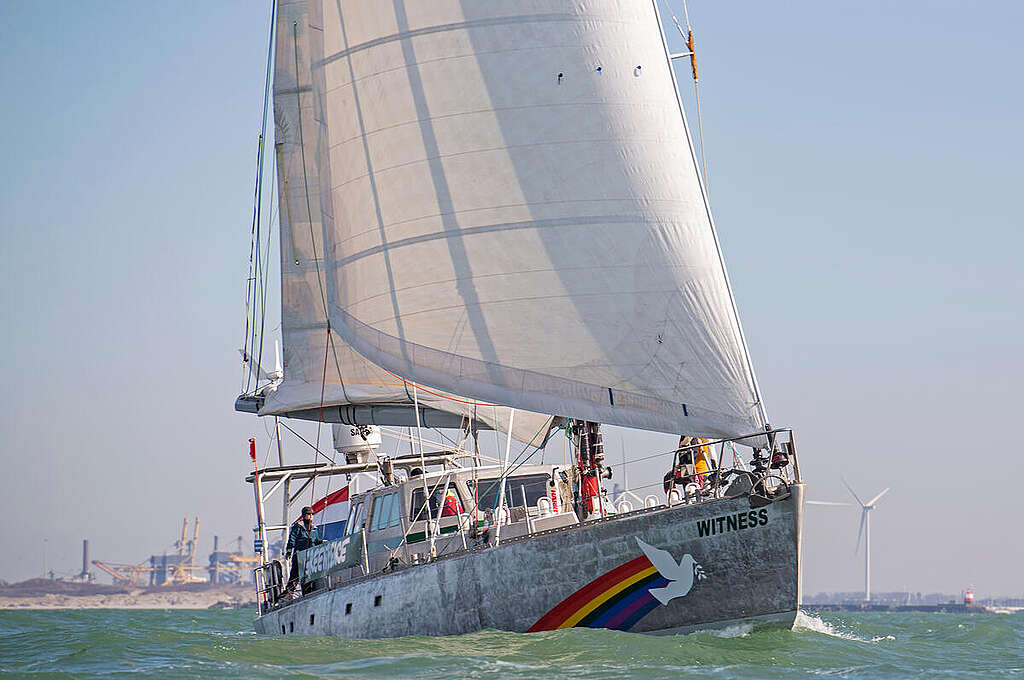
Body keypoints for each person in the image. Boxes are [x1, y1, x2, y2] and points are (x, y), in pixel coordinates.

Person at [284, 506, 325, 594]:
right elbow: (292, 538)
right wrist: (289, 550)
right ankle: (288, 592)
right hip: (300, 555)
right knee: (296, 574)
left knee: (309, 574)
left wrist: (322, 542)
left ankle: (308, 592)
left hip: (311, 555)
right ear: (304, 515)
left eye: (312, 514)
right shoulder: (298, 526)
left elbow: (316, 540)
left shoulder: (314, 528)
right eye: (308, 514)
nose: (311, 516)